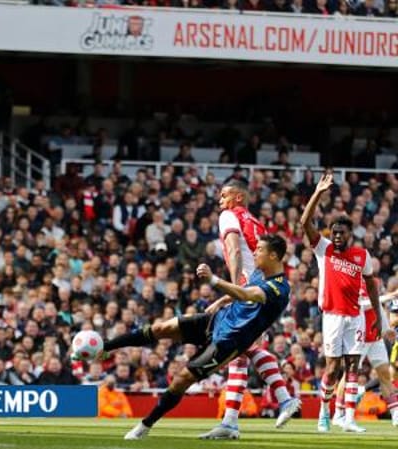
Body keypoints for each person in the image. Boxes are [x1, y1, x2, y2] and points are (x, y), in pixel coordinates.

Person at [83, 234, 289, 441]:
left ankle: (144, 425)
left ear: (273, 255)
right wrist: (221, 302)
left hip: (229, 342)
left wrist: (213, 280)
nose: (254, 252)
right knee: (162, 327)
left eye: (260, 249)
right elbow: (241, 291)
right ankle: (105, 347)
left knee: (181, 380)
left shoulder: (279, 288)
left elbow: (248, 295)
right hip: (217, 320)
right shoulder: (259, 274)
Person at [199, 181, 301, 439]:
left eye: (224, 195)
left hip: (249, 287)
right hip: (263, 286)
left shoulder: (228, 215)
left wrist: (234, 291)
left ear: (238, 197)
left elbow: (234, 250)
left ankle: (284, 399)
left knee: (243, 348)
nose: (220, 200)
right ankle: (231, 422)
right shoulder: (255, 222)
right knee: (240, 353)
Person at [301, 173, 381, 433]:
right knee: (333, 368)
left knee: (353, 367)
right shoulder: (323, 249)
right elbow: (304, 222)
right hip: (332, 316)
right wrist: (318, 193)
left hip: (356, 316)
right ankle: (324, 411)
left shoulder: (361, 256)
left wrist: (378, 316)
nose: (336, 236)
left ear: (349, 234)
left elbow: (371, 285)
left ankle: (348, 418)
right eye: (333, 232)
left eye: (340, 233)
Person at [330, 283, 398, 427]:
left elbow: (377, 307)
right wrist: (389, 296)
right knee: (349, 375)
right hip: (359, 337)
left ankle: (396, 414)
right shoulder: (353, 281)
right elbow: (362, 305)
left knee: (385, 374)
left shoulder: (373, 281)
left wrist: (386, 328)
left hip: (376, 337)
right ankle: (338, 413)